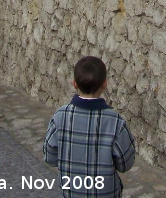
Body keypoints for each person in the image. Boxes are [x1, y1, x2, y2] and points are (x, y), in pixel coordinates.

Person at [44, 56, 136, 198]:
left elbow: (50, 157)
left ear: (74, 84)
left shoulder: (60, 116)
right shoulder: (115, 121)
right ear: (104, 84)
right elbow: (125, 163)